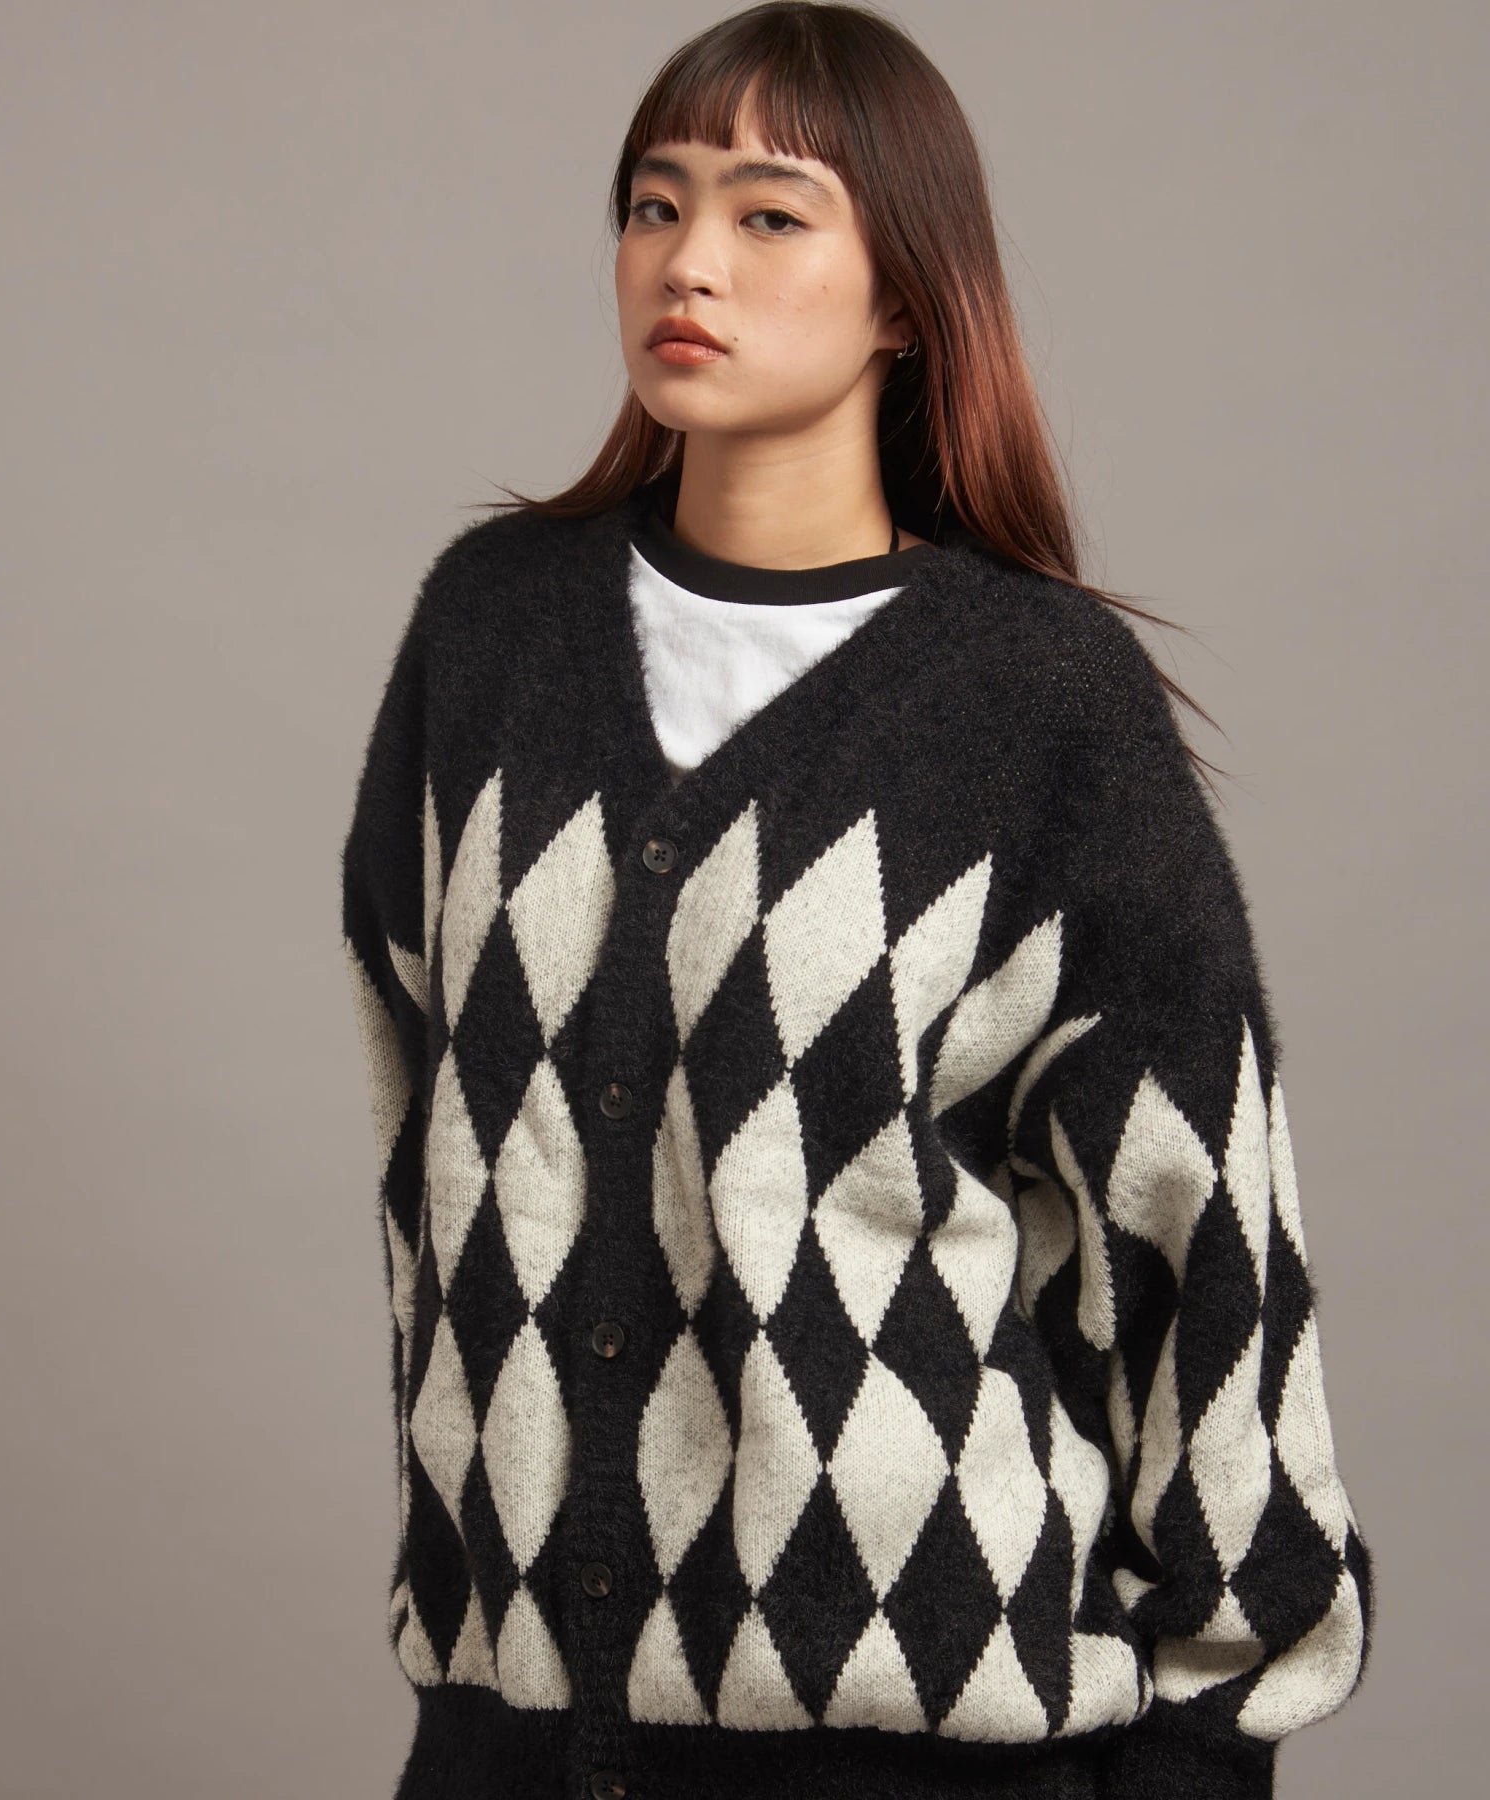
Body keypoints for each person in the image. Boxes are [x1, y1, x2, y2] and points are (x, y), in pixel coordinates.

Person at [340, 7, 1374, 1798]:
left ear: (905, 293)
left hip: (920, 1732)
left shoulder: (1035, 701)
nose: (688, 262)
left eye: (767, 214)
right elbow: (430, 1140)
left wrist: (1216, 1731)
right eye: (654, 204)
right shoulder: (491, 636)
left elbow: (1199, 1224)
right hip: (510, 1725)